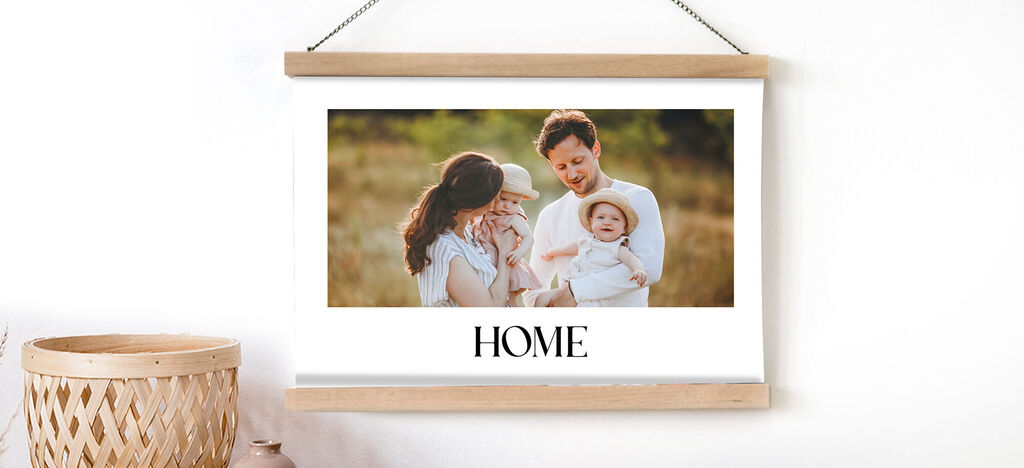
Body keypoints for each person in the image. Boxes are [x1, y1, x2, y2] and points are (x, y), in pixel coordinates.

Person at [525, 110, 666, 307]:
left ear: (596, 150)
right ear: (551, 165)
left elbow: (649, 268)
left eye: (577, 161)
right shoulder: (550, 215)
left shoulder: (638, 198)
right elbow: (533, 288)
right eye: (561, 167)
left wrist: (574, 292)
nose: (572, 174)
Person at [403, 152, 517, 307]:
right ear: (479, 198)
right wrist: (505, 254)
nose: (500, 195)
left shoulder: (468, 231)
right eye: (498, 193)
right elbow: (490, 309)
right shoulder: (445, 249)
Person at [541, 189, 647, 306]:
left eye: (615, 219)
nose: (607, 222)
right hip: (570, 288)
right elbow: (569, 249)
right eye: (601, 217)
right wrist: (552, 252)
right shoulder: (586, 240)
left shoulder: (617, 247)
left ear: (623, 228)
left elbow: (630, 258)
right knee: (541, 298)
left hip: (592, 296)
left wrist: (638, 269)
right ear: (591, 222)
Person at [472, 163, 543, 306]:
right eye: (503, 199)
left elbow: (528, 237)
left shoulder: (513, 217)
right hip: (486, 259)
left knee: (509, 298)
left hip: (505, 260)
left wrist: (519, 252)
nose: (508, 206)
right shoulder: (485, 211)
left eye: (515, 202)